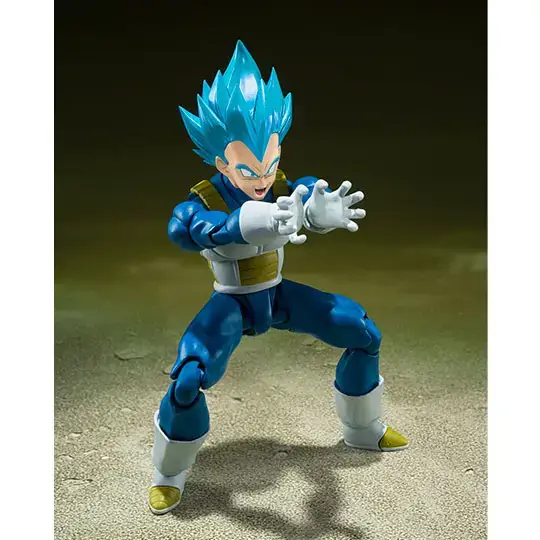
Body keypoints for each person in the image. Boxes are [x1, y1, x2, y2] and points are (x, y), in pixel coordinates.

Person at [149, 40, 408, 515]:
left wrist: (318, 209)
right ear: (220, 162)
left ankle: (363, 429)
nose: (263, 178)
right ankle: (170, 471)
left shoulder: (282, 186)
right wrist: (248, 221)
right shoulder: (202, 201)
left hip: (277, 296)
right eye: (248, 169)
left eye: (270, 163)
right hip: (231, 303)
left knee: (362, 331)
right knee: (188, 378)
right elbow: (187, 230)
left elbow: (306, 190)